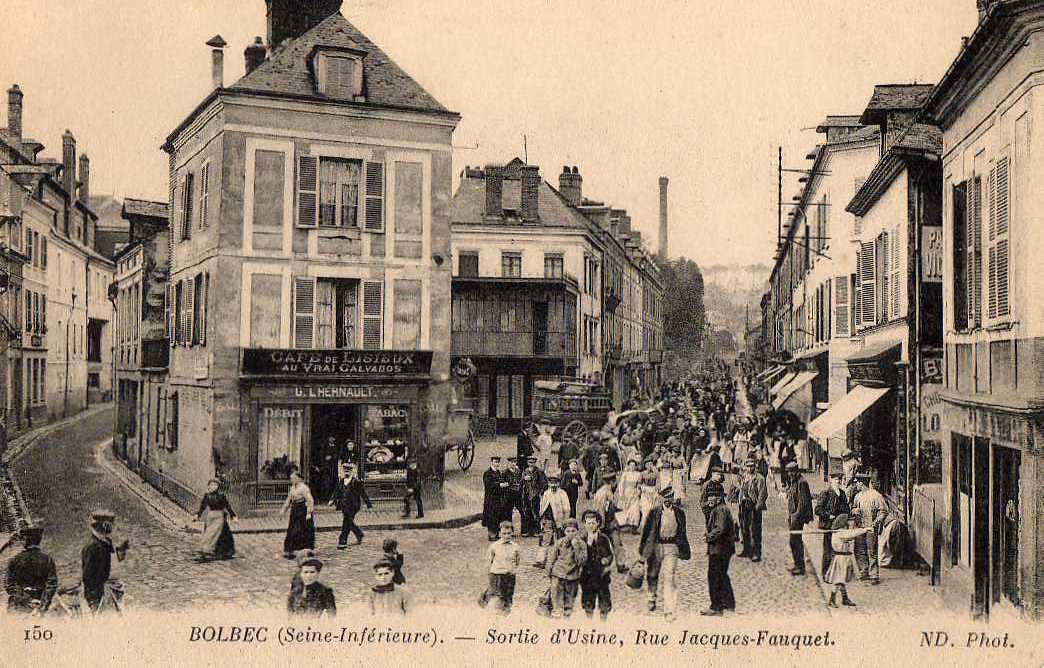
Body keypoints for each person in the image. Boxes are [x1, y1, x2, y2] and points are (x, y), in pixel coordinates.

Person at [638, 487, 691, 620]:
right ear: (661, 498)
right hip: (656, 545)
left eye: (670, 497)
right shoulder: (654, 512)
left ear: (673, 498)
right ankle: (651, 597)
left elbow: (682, 532)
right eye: (665, 498)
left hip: (672, 547)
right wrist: (643, 549)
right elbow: (646, 531)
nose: (668, 500)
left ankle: (669, 609)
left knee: (669, 577)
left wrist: (682, 547)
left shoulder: (679, 513)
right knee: (652, 574)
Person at [81, 510, 129, 612]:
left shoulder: (105, 541)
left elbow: (112, 561)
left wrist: (121, 551)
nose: (112, 527)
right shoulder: (92, 546)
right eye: (110, 524)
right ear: (104, 525)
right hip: (98, 596)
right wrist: (96, 597)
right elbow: (87, 576)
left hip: (108, 592)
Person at [701, 481, 736, 616]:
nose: (710, 498)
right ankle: (728, 603)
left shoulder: (720, 510)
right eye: (709, 496)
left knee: (714, 576)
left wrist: (709, 537)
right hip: (724, 548)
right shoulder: (719, 508)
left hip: (719, 549)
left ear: (720, 497)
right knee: (722, 575)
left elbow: (719, 529)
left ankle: (716, 607)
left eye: (713, 496)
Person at [5, 525, 58, 614]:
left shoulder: (15, 560)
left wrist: (28, 600)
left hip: (19, 606)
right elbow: (52, 584)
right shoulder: (48, 559)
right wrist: (43, 602)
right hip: (41, 605)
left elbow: (9, 585)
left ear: (26, 541)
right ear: (39, 541)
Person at [823, 513, 870, 607]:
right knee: (839, 579)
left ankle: (844, 598)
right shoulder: (841, 533)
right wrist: (864, 530)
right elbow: (852, 534)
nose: (849, 523)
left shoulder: (839, 532)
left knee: (842, 579)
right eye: (847, 522)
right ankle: (832, 599)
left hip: (844, 558)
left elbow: (851, 533)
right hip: (841, 559)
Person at [545, 518, 587, 619]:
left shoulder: (581, 544)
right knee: (556, 594)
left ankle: (567, 614)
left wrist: (576, 547)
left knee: (570, 597)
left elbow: (582, 561)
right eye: (568, 531)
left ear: (577, 531)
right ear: (564, 532)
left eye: (573, 531)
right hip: (558, 573)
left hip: (573, 575)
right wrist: (549, 570)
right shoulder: (559, 543)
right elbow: (552, 558)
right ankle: (557, 612)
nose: (571, 533)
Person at [851, 475, 888, 585]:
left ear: (862, 483)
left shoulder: (876, 495)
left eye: (857, 482)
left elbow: (884, 511)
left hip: (871, 528)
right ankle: (864, 572)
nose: (856, 485)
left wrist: (876, 522)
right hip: (859, 527)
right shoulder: (857, 496)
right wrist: (855, 511)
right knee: (859, 550)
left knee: (871, 552)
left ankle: (874, 576)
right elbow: (852, 509)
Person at [579, 510, 614, 621]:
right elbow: (579, 557)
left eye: (593, 523)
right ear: (584, 524)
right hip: (587, 575)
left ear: (598, 523)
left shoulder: (604, 538)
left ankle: (603, 621)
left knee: (604, 599)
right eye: (588, 523)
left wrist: (606, 560)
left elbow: (610, 554)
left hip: (602, 575)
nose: (591, 526)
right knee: (588, 600)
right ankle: (589, 621)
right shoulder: (581, 540)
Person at [479, 521, 521, 613]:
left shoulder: (515, 547)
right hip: (496, 574)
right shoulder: (494, 546)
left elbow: (517, 560)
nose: (506, 536)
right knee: (497, 595)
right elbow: (489, 560)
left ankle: (507, 612)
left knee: (508, 595)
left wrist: (513, 569)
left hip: (509, 575)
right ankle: (494, 611)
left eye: (509, 533)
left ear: (512, 533)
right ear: (499, 533)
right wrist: (489, 573)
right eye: (504, 533)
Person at [814, 471, 851, 576]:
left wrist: (845, 515)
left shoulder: (842, 494)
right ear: (831, 480)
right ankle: (825, 572)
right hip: (829, 526)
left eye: (839, 480)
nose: (838, 481)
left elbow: (846, 508)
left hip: (839, 526)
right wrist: (827, 515)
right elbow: (817, 509)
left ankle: (836, 572)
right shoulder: (826, 493)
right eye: (836, 479)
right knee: (827, 549)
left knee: (838, 549)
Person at [330, 464, 372, 549]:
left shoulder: (356, 482)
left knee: (346, 521)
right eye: (345, 471)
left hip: (354, 505)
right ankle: (359, 534)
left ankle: (342, 540)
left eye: (348, 471)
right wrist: (332, 500)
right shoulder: (341, 481)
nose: (347, 472)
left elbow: (363, 493)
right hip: (344, 505)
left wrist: (368, 504)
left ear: (352, 471)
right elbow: (337, 492)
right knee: (349, 521)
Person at [195, 478, 237, 561]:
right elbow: (203, 506)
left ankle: (208, 551)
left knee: (213, 534)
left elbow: (227, 506)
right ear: (208, 486)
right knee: (207, 533)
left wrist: (233, 516)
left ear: (218, 487)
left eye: (215, 485)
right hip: (210, 516)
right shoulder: (207, 496)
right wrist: (197, 515)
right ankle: (203, 551)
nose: (213, 487)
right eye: (211, 485)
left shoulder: (221, 496)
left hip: (219, 516)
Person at [737, 457, 768, 562]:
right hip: (744, 505)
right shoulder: (744, 476)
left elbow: (763, 494)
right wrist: (740, 500)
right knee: (744, 528)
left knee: (755, 530)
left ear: (755, 467)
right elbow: (741, 489)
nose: (750, 468)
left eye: (752, 466)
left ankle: (756, 553)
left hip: (754, 505)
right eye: (748, 466)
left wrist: (758, 506)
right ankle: (746, 550)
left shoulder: (760, 478)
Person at [785, 461, 813, 575]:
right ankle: (798, 564)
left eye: (791, 472)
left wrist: (795, 517)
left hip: (798, 517)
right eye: (788, 472)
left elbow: (803, 503)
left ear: (796, 471)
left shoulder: (802, 483)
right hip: (793, 516)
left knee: (795, 541)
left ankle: (800, 567)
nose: (789, 474)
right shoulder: (794, 481)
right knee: (795, 541)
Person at [281, 471, 316, 558]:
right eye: (291, 478)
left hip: (303, 511)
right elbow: (289, 499)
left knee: (300, 530)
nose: (291, 480)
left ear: (298, 479)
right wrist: (283, 510)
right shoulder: (293, 488)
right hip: (295, 510)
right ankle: (290, 550)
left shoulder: (304, 488)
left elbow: (310, 501)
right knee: (292, 529)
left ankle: (306, 550)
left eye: (293, 478)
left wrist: (309, 513)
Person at [482, 456, 511, 541]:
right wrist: (499, 485)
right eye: (495, 462)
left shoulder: (499, 472)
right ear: (492, 462)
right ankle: (491, 533)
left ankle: (497, 533)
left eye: (498, 462)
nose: (496, 464)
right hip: (490, 498)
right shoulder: (487, 473)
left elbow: (501, 482)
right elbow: (488, 485)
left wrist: (504, 485)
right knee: (491, 515)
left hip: (498, 498)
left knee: (498, 515)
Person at [520, 456, 548, 537]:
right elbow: (521, 483)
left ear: (535, 463)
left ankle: (537, 530)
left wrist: (540, 492)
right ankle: (528, 530)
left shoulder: (539, 472)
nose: (531, 464)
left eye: (533, 462)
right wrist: (524, 479)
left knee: (536, 513)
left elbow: (544, 484)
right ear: (527, 463)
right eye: (529, 462)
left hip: (536, 496)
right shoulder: (525, 471)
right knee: (527, 512)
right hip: (527, 495)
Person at [616, 459, 643, 532]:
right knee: (626, 509)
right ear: (628, 466)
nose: (632, 467)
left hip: (634, 493)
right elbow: (621, 485)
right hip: (626, 493)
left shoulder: (638, 474)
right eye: (631, 465)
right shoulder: (625, 474)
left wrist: (638, 492)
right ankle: (625, 526)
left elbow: (639, 485)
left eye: (634, 465)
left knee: (635, 509)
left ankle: (634, 527)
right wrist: (621, 494)